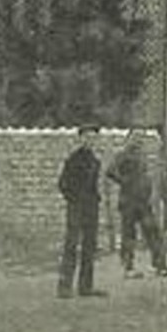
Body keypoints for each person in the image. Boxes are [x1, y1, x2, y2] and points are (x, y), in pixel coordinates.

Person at [105, 129, 167, 278]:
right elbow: (110, 171)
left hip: (143, 202)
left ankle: (159, 265)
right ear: (129, 139)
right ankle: (128, 268)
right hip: (128, 202)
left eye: (141, 139)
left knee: (153, 233)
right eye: (135, 138)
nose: (138, 141)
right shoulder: (123, 155)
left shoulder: (141, 156)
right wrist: (124, 181)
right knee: (129, 235)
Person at [57, 124, 104, 298]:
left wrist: (95, 199)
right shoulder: (73, 160)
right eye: (86, 137)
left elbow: (93, 186)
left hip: (91, 208)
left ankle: (86, 286)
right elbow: (62, 184)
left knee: (89, 246)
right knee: (71, 244)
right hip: (76, 207)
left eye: (93, 138)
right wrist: (74, 199)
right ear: (80, 139)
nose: (90, 141)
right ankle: (64, 286)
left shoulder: (95, 161)